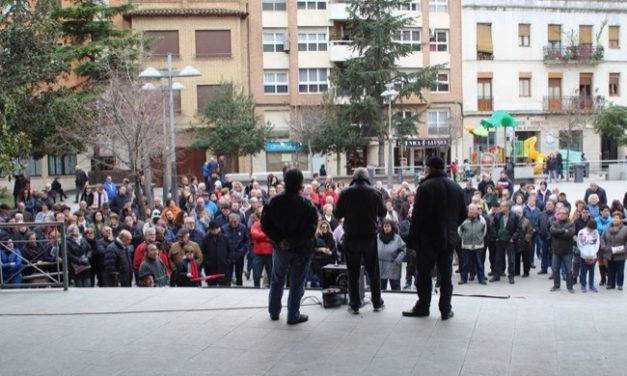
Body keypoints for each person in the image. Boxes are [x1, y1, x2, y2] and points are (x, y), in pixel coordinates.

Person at [403, 157, 467, 320]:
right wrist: (452, 227)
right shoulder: (456, 187)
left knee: (424, 274)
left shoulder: (425, 188)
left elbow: (417, 217)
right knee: (446, 274)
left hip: (428, 240)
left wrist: (413, 239)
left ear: (429, 169)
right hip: (448, 239)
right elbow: (463, 214)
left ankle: (423, 306)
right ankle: (445, 309)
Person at [261, 168, 318, 325]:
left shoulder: (273, 201)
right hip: (301, 249)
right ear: (300, 183)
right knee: (297, 282)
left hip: (281, 248)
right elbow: (311, 229)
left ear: (284, 181)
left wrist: (280, 240)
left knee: (277, 280)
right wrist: (292, 241)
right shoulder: (307, 204)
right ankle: (293, 315)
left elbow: (265, 224)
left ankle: (274, 312)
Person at [334, 167, 387, 314]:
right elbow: (383, 212)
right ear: (366, 177)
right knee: (373, 271)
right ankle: (377, 302)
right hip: (369, 237)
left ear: (354, 178)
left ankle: (354, 304)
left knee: (353, 272)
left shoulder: (345, 192)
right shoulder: (375, 192)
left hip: (351, 237)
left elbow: (337, 213)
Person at [457, 204, 487, 285]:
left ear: (477, 211)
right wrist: (464, 238)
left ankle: (481, 279)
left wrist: (479, 239)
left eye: (472, 209)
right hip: (466, 246)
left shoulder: (482, 220)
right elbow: (459, 231)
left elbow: (484, 232)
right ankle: (463, 279)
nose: (470, 211)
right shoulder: (463, 219)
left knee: (479, 264)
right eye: (469, 209)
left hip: (478, 245)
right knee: (465, 264)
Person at [549, 207, 576, 293]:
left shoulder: (571, 223)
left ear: (567, 214)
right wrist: (564, 231)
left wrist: (559, 233)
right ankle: (556, 285)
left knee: (569, 270)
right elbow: (552, 231)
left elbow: (570, 234)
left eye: (563, 213)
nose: (561, 215)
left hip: (567, 251)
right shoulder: (555, 223)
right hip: (556, 251)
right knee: (555, 269)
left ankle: (570, 286)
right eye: (559, 213)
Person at [600, 212, 627, 290]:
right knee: (610, 269)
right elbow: (602, 238)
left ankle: (620, 284)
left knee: (620, 270)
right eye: (613, 218)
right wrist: (604, 246)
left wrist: (623, 249)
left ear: (620, 219)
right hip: (609, 253)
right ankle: (610, 284)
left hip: (621, 253)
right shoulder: (607, 228)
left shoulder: (625, 229)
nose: (615, 219)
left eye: (616, 218)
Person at [377, 218, 406, 291]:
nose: (386, 228)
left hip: (393, 266)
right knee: (380, 290)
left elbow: (403, 250)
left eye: (388, 226)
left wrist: (397, 260)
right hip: (380, 266)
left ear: (392, 227)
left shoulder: (397, 238)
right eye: (385, 226)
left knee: (396, 289)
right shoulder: (378, 237)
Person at [201, 221, 231, 286]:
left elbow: (229, 250)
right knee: (212, 285)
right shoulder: (205, 239)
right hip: (211, 267)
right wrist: (206, 262)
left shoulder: (224, 238)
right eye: (213, 229)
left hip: (223, 266)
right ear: (209, 230)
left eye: (216, 229)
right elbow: (203, 252)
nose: (215, 230)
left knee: (224, 285)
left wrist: (227, 261)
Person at [249, 209, 273, 288]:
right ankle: (256, 288)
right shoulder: (256, 224)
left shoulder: (272, 224)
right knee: (256, 275)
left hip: (270, 253)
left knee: (271, 275)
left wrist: (261, 236)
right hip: (258, 253)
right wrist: (267, 235)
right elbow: (254, 235)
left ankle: (271, 289)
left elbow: (274, 237)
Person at [577, 219, 600, 293]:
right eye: (590, 229)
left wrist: (594, 253)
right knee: (583, 271)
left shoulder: (596, 232)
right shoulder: (581, 232)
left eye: (593, 229)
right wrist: (585, 254)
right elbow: (579, 244)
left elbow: (597, 243)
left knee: (592, 271)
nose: (591, 230)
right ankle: (583, 285)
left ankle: (591, 285)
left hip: (593, 255)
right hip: (584, 255)